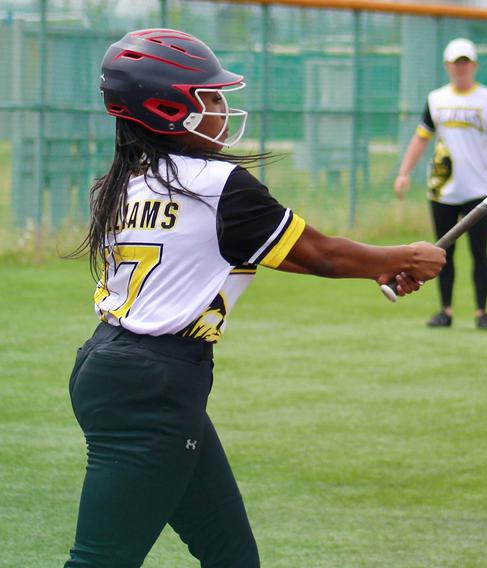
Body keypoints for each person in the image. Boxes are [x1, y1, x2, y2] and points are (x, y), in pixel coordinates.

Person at [64, 29, 444, 567]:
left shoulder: (128, 179)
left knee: (232, 557)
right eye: (209, 97)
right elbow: (322, 254)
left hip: (120, 369)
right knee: (102, 559)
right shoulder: (219, 183)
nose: (221, 108)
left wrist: (377, 269)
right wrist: (404, 255)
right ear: (167, 108)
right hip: (153, 385)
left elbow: (269, 251)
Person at [394, 38, 487, 330]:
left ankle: (481, 312)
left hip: (480, 191)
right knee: (441, 253)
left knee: (479, 252)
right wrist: (404, 172)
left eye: (465, 62)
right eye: (455, 62)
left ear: (473, 65)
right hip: (443, 190)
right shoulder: (436, 99)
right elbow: (421, 137)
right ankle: (445, 311)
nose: (461, 68)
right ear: (447, 66)